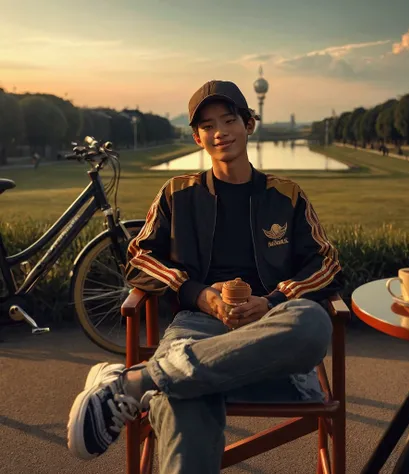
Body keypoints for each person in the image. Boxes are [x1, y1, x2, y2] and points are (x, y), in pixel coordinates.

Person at [66, 80, 343, 472]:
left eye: (229, 120)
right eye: (208, 126)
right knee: (185, 400)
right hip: (197, 328)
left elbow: (327, 263)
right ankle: (163, 378)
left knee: (312, 322)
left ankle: (139, 382)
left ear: (249, 124)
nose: (220, 132)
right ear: (197, 138)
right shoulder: (177, 193)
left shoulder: (287, 195)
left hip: (269, 337)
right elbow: (138, 257)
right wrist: (197, 294)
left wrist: (272, 301)